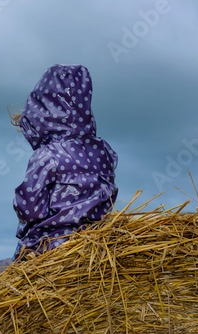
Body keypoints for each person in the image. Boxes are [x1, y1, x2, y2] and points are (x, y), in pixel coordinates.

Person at [9, 64, 118, 260]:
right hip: (96, 246)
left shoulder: (47, 155)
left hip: (50, 250)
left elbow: (30, 207)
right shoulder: (103, 151)